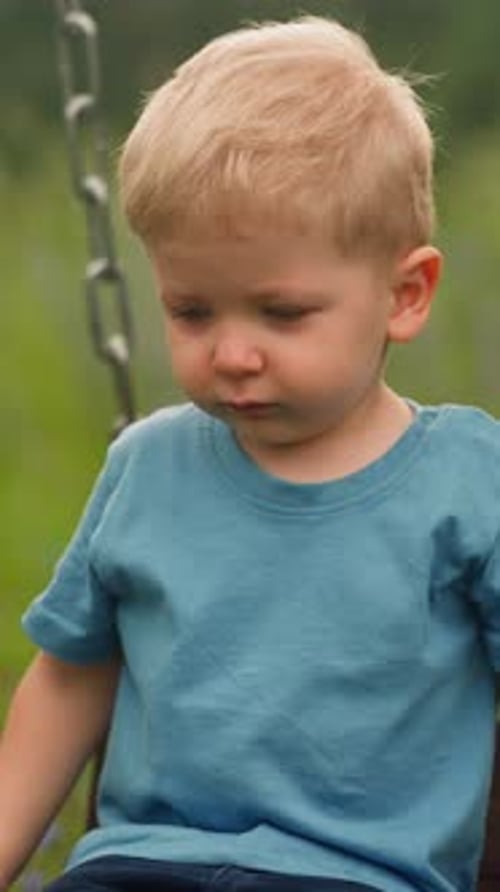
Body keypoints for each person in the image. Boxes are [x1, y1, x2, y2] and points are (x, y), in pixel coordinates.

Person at [0, 14, 499, 892]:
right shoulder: (148, 468)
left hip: (355, 878)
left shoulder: (466, 482)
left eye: (281, 313)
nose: (231, 353)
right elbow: (70, 680)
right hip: (139, 872)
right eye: (193, 312)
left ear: (406, 294)